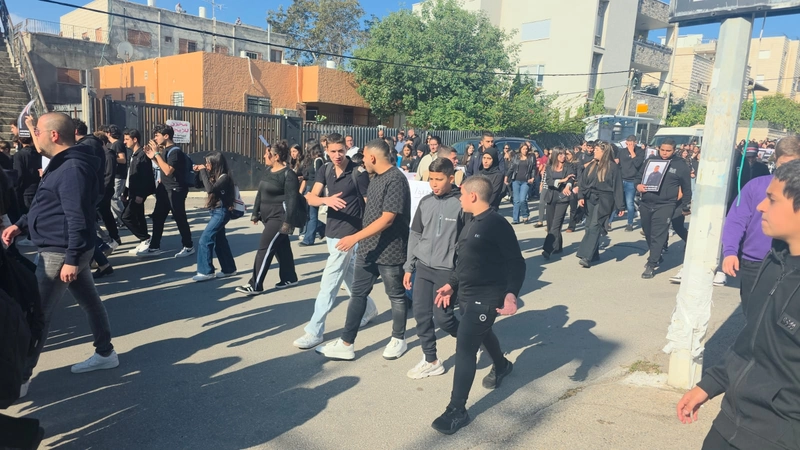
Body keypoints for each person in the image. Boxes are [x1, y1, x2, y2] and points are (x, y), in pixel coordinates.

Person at [676, 159, 800, 450]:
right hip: (731, 420)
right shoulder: (775, 261)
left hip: (779, 436)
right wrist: (710, 384)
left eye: (772, 200)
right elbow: (752, 336)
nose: (761, 207)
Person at [1, 112, 119, 396]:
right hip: (64, 248)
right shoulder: (64, 163)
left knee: (38, 314)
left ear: (53, 135)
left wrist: (72, 259)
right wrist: (21, 224)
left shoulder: (71, 168)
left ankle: (20, 379)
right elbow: (47, 205)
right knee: (90, 302)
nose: (34, 136)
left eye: (37, 131)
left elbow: (77, 217)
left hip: (60, 251)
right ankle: (105, 352)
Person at [430, 176, 525, 435]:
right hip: (466, 294)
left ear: (472, 195)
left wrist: (511, 294)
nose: (460, 199)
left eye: (462, 194)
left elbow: (516, 263)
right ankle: (502, 366)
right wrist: (452, 284)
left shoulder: (497, 224)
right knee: (481, 333)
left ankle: (457, 410)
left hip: (487, 297)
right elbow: (464, 260)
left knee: (465, 347)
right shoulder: (471, 221)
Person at [316, 139, 411, 361]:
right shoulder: (374, 177)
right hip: (368, 248)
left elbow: (387, 218)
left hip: (390, 249)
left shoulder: (396, 179)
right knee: (358, 294)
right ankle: (346, 343)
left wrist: (354, 237)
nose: (362, 162)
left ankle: (398, 339)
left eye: (364, 157)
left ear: (373, 157)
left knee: (396, 296)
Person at [293, 134, 378, 349]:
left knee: (329, 283)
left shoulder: (358, 172)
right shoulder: (325, 169)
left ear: (346, 150)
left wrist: (365, 235)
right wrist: (326, 200)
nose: (337, 155)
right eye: (333, 151)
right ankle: (369, 309)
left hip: (349, 235)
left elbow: (369, 205)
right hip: (331, 231)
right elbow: (311, 198)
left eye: (341, 150)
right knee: (348, 274)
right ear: (326, 150)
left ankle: (314, 331)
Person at [720, 135, 800, 312]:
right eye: (783, 165)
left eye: (794, 165)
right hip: (755, 263)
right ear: (775, 159)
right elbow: (736, 220)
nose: (787, 171)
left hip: (792, 263)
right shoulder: (755, 186)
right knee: (754, 315)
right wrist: (730, 251)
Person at [404, 158, 464, 379]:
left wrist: (456, 277)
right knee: (421, 314)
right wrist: (409, 267)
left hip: (446, 271)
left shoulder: (461, 203)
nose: (434, 184)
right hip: (423, 267)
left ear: (451, 178)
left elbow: (466, 243)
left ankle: (470, 340)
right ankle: (431, 360)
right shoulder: (425, 201)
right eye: (431, 179)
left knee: (444, 318)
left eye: (439, 179)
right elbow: (415, 235)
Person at [236, 141, 301, 295]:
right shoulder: (268, 171)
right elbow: (260, 193)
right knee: (281, 247)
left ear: (276, 156)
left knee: (264, 248)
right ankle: (289, 277)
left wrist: (288, 223)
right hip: (267, 216)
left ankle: (255, 284)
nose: (264, 156)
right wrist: (255, 213)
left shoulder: (288, 174)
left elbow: (293, 201)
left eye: (267, 154)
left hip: (280, 217)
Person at [637, 138, 692, 279]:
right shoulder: (651, 161)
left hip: (666, 204)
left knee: (658, 233)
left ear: (674, 150)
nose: (665, 153)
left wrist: (686, 205)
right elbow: (639, 177)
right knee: (648, 232)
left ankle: (651, 264)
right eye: (662, 150)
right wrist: (638, 185)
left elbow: (686, 187)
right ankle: (656, 255)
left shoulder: (680, 165)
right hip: (646, 202)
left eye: (668, 151)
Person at [139, 125, 194, 258]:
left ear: (166, 136)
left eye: (157, 135)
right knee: (158, 217)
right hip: (164, 189)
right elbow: (163, 167)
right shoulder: (165, 151)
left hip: (175, 189)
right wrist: (153, 157)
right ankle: (154, 247)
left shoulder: (175, 152)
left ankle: (188, 246)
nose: (155, 138)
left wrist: (156, 154)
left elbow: (168, 171)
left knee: (179, 218)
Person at [576, 141, 625, 268]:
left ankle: (586, 256)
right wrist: (581, 196)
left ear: (604, 152)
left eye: (597, 150)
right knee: (588, 226)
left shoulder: (613, 167)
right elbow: (582, 182)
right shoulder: (591, 165)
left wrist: (620, 206)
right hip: (590, 197)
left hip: (605, 199)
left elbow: (618, 187)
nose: (594, 151)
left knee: (595, 225)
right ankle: (594, 254)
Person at [191, 152, 237, 282]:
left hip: (221, 212)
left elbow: (210, 190)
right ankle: (229, 269)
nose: (206, 165)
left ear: (215, 164)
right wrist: (197, 173)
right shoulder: (213, 176)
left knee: (205, 239)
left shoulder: (224, 178)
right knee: (220, 241)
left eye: (208, 163)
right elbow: (198, 185)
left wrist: (203, 171)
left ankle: (206, 271)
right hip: (214, 211)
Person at [122, 129, 156, 255]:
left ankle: (145, 238)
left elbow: (146, 177)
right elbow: (130, 176)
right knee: (139, 217)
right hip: (132, 191)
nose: (124, 142)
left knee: (126, 217)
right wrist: (125, 192)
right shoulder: (134, 154)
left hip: (138, 193)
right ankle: (144, 242)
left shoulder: (142, 155)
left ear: (135, 139)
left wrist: (141, 195)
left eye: (127, 139)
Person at [542, 146, 577, 259]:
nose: (563, 156)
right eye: (560, 154)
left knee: (556, 224)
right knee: (550, 225)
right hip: (551, 197)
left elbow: (571, 178)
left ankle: (547, 249)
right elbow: (549, 181)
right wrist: (563, 180)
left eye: (564, 154)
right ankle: (558, 246)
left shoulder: (569, 166)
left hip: (563, 198)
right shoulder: (549, 167)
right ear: (555, 155)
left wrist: (568, 185)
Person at [614, 135, 644, 232]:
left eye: (631, 144)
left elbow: (638, 164)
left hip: (632, 180)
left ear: (635, 143)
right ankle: (609, 222)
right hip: (621, 179)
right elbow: (617, 161)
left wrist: (632, 152)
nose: (629, 146)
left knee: (630, 203)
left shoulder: (640, 151)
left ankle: (629, 224)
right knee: (615, 200)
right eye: (628, 144)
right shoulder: (622, 151)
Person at [299, 144, 326, 246]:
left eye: (307, 147)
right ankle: (323, 228)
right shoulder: (311, 160)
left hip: (313, 189)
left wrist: (312, 192)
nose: (306, 149)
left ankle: (309, 239)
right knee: (307, 214)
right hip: (308, 188)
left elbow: (319, 177)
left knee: (312, 215)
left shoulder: (318, 160)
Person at [106, 125, 128, 223]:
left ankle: (125, 219)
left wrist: (111, 158)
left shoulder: (117, 144)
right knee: (113, 198)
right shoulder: (114, 144)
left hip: (119, 175)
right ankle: (118, 219)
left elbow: (123, 159)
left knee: (115, 198)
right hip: (116, 175)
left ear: (109, 134)